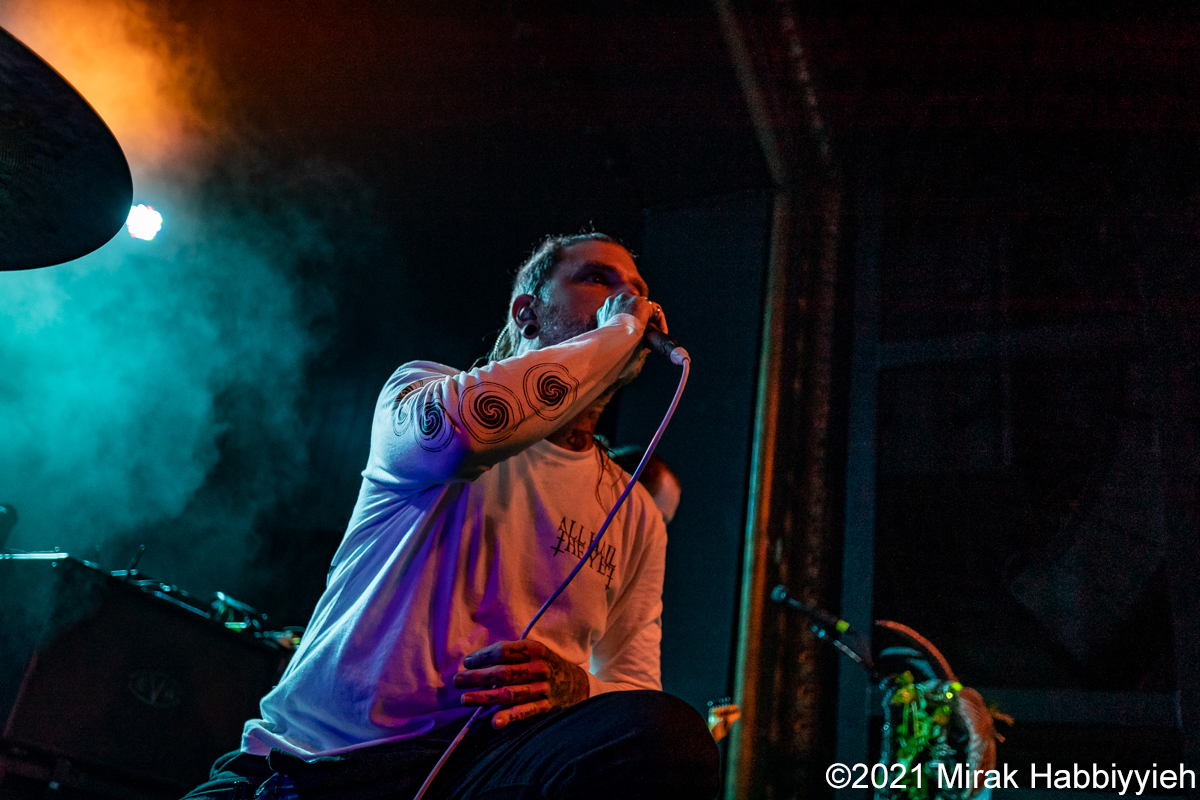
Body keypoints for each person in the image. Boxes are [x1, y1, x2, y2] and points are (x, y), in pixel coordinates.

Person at [182, 233, 719, 800]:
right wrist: (616, 334)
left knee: (671, 739)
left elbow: (635, 685)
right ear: (527, 312)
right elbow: (467, 435)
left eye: (637, 290)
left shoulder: (634, 512)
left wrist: (579, 686)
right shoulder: (419, 390)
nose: (632, 301)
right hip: (318, 765)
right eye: (597, 279)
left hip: (474, 774)